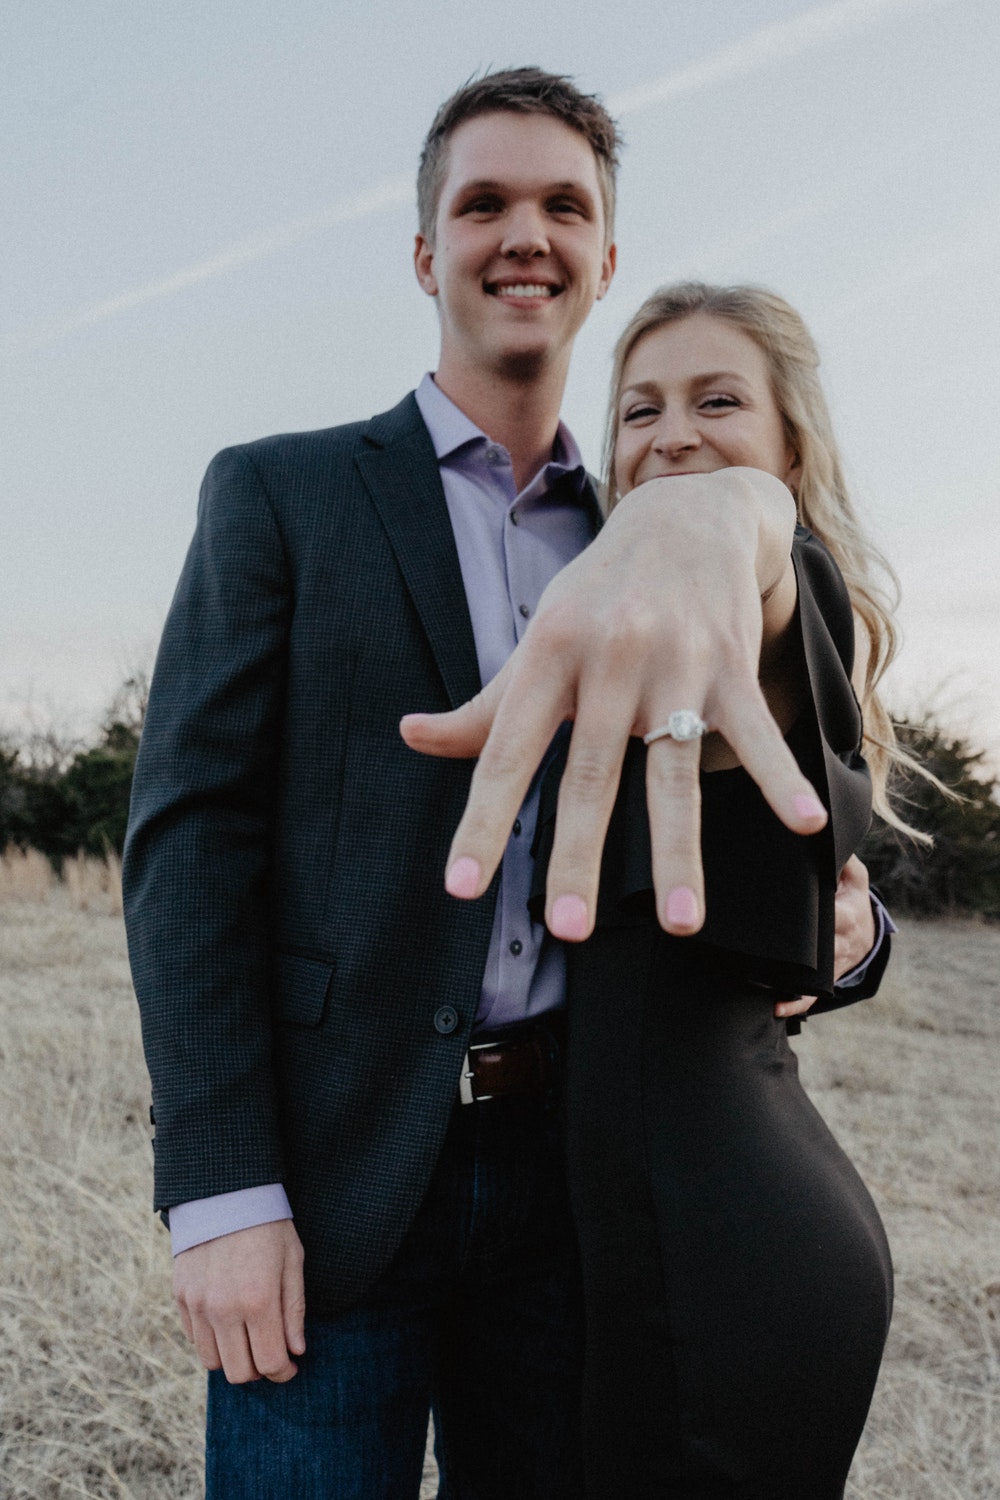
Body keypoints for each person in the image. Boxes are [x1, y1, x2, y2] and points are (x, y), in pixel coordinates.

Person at [124, 71, 889, 1499]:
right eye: (482, 203)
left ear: (606, 256)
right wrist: (220, 1193)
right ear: (426, 253)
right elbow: (188, 845)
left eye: (564, 206)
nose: (522, 233)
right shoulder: (280, 495)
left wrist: (859, 931)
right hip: (338, 1180)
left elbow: (798, 812)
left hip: (585, 1193)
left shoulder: (665, 526)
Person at [544, 283, 902, 1497]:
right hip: (669, 1238)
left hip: (727, 1268)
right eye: (639, 409)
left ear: (789, 445)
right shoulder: (620, 625)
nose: (673, 435)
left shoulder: (772, 594)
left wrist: (739, 513)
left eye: (718, 401)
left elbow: (756, 555)